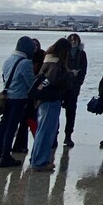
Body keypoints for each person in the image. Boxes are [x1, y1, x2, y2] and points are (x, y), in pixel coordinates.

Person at [0, 36, 36, 168]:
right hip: (19, 99)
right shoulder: (25, 63)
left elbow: (4, 77)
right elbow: (30, 83)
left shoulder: (8, 60)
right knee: (11, 128)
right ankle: (5, 156)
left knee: (3, 126)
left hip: (7, 97)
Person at [29, 38, 73, 172]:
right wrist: (70, 75)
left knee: (42, 130)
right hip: (51, 99)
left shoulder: (47, 59)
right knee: (46, 131)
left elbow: (46, 80)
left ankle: (36, 158)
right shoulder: (56, 63)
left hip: (43, 99)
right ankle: (40, 162)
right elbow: (54, 80)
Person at [11, 37, 44, 157]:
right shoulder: (25, 61)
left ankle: (27, 145)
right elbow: (30, 80)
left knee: (30, 120)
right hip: (26, 94)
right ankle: (21, 145)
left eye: (36, 45)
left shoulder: (38, 57)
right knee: (26, 120)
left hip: (30, 95)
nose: (34, 48)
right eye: (32, 45)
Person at [62, 32, 88, 147]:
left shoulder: (81, 54)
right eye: (71, 40)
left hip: (73, 88)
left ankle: (68, 136)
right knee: (56, 111)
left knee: (71, 113)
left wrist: (78, 83)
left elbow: (83, 70)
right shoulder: (63, 53)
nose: (73, 42)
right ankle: (54, 136)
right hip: (61, 86)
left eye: (75, 40)